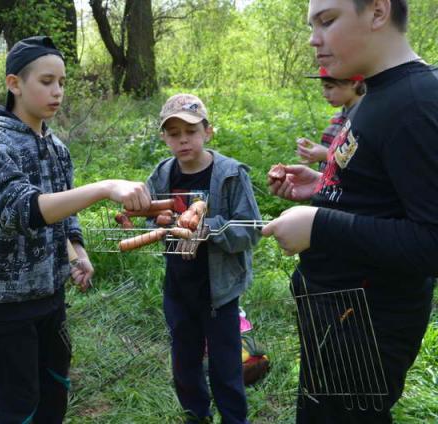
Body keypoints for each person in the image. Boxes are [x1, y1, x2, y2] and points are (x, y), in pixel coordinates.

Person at [262, 0, 438, 422]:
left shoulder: (417, 101)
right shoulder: (379, 91)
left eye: (327, 20)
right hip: (337, 315)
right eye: (312, 24)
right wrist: (322, 186)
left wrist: (320, 225)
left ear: (378, 11)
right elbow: (381, 194)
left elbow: (432, 241)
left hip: (366, 330)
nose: (313, 38)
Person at [0, 35, 151, 423]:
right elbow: (23, 210)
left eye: (63, 82)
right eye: (46, 81)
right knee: (14, 408)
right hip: (5, 307)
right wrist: (104, 188)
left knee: (53, 394)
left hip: (51, 298)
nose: (57, 91)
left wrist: (77, 252)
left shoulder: (57, 147)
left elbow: (64, 214)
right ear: (15, 83)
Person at [146, 94, 261, 424]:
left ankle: (234, 419)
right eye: (173, 133)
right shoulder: (162, 174)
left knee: (226, 366)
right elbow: (147, 217)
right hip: (178, 288)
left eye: (191, 131)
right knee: (184, 362)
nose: (183, 140)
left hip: (219, 292)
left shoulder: (229, 174)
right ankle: (197, 415)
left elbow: (251, 231)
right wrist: (155, 221)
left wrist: (207, 229)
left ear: (208, 132)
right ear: (164, 138)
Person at [296, 67, 365, 170]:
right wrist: (312, 152)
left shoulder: (365, 119)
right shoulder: (337, 118)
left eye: (329, 87)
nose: (324, 94)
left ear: (354, 83)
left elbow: (366, 165)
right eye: (323, 87)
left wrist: (326, 155)